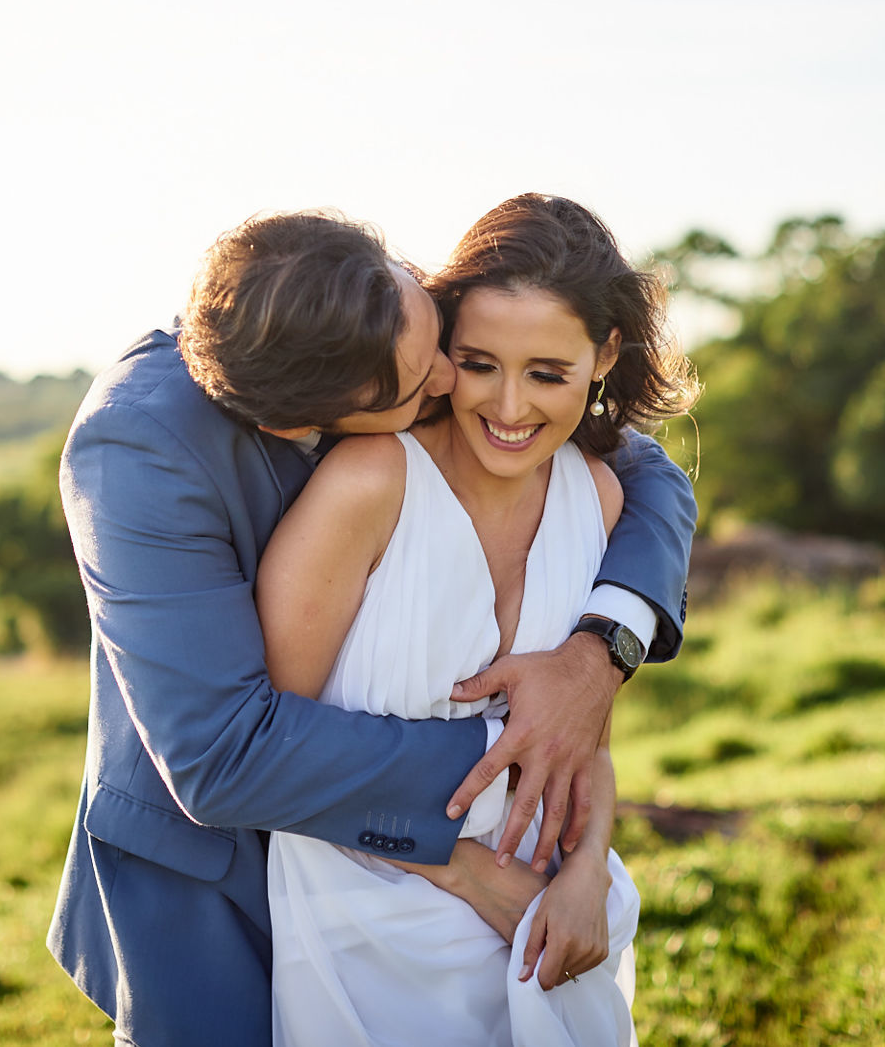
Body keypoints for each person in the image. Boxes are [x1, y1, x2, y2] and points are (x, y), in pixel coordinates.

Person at [48, 209, 696, 1046]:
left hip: (475, 882)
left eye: (435, 331)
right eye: (432, 377)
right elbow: (223, 758)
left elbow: (647, 469)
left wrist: (598, 652)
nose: (450, 383)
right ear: (308, 423)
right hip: (218, 871)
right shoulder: (140, 450)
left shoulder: (373, 309)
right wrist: (514, 764)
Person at [257, 194, 696, 1046]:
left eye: (547, 373)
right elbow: (274, 752)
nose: (508, 407)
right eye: (479, 361)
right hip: (362, 917)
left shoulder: (597, 497)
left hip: (540, 916)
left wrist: (585, 874)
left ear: (604, 356)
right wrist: (465, 875)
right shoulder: (370, 483)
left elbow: (582, 738)